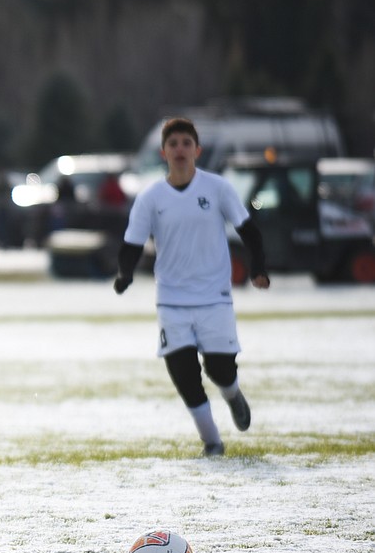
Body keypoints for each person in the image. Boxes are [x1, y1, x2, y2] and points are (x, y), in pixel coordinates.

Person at [113, 117, 269, 457]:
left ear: (197, 150)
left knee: (220, 369)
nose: (180, 150)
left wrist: (258, 268)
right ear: (163, 152)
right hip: (172, 301)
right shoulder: (151, 197)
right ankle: (212, 442)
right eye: (174, 144)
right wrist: (124, 275)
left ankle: (233, 395)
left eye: (186, 143)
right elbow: (131, 243)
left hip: (215, 298)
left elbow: (249, 231)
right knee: (184, 375)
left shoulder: (217, 188)